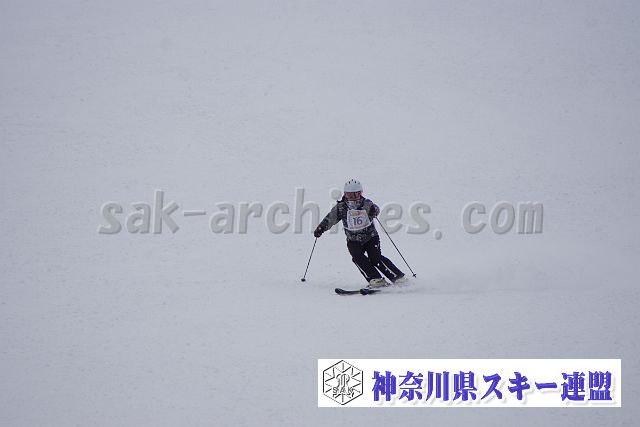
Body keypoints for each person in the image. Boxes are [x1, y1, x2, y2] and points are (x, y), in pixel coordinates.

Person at [313, 179, 407, 288]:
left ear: (360, 193)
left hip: (370, 237)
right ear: (345, 194)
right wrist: (321, 228)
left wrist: (373, 210)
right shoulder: (341, 207)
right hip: (353, 240)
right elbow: (330, 219)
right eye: (349, 194)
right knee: (357, 258)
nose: (353, 197)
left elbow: (376, 209)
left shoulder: (366, 203)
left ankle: (397, 277)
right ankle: (375, 279)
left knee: (375, 258)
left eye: (356, 194)